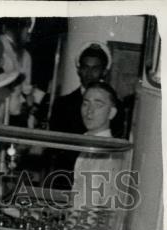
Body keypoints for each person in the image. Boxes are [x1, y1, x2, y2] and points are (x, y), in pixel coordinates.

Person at [70, 83, 126, 212]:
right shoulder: (89, 144)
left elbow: (100, 205)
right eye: (85, 104)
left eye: (98, 105)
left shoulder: (109, 154)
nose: (90, 111)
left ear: (112, 113)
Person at [49, 43, 109, 135]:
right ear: (79, 70)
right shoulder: (62, 105)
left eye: (95, 69)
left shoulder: (114, 106)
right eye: (85, 67)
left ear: (104, 72)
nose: (89, 73)